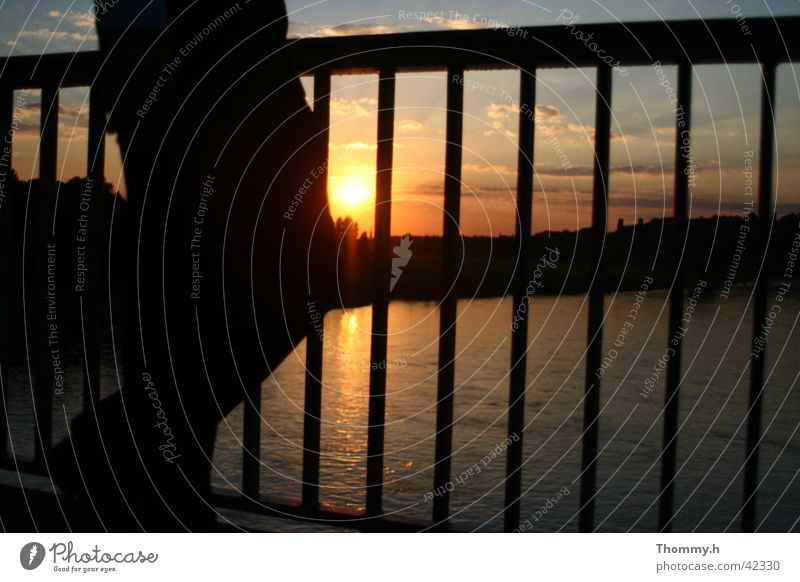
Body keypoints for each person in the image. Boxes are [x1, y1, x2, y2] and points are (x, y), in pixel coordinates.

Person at [51, 0, 338, 531]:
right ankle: (122, 457)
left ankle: (124, 458)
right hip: (197, 101)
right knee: (220, 314)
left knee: (200, 325)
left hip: (227, 92)